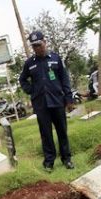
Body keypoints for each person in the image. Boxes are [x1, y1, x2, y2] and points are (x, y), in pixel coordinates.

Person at [19, 30, 74, 172]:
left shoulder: (56, 58)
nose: (37, 48)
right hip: (41, 104)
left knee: (62, 132)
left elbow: (65, 79)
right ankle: (49, 162)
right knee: (46, 134)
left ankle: (67, 159)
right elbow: (22, 79)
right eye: (34, 46)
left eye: (39, 44)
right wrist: (31, 90)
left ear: (45, 42)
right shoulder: (29, 63)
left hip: (57, 101)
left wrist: (68, 98)